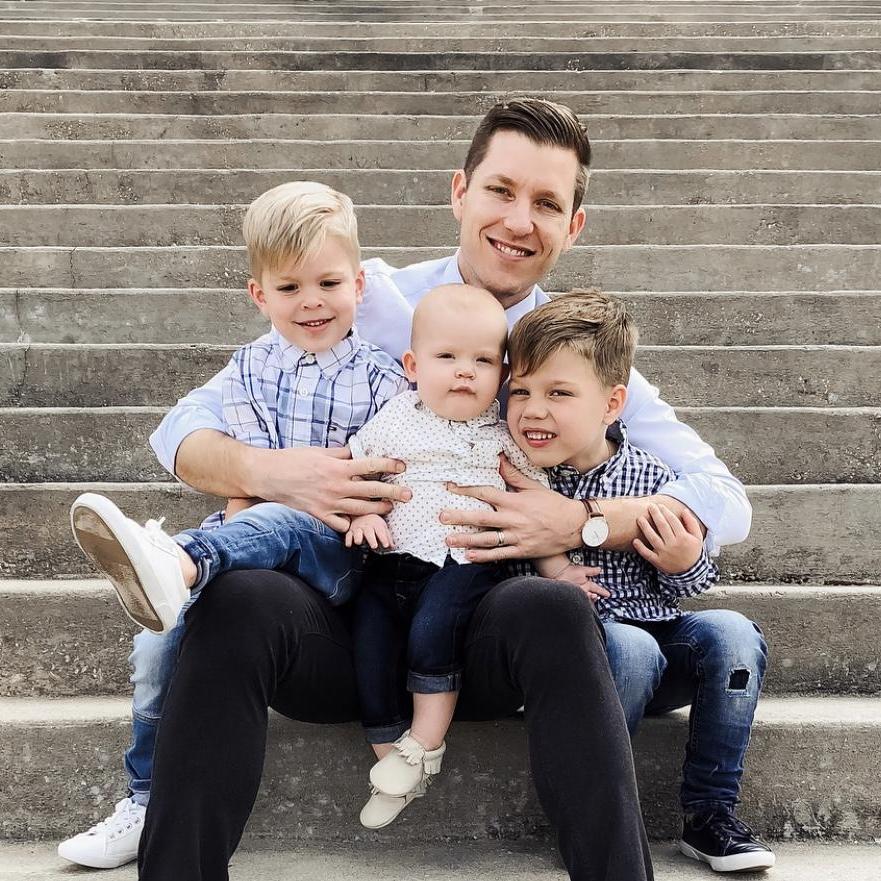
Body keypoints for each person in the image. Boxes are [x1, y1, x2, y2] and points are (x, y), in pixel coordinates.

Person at [62, 97, 747, 880]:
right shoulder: (364, 296)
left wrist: (583, 519)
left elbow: (724, 498)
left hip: (482, 625)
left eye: (546, 203)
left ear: (573, 226)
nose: (518, 220)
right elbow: (182, 432)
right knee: (240, 596)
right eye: (501, 190)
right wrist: (282, 474)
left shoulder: (571, 346)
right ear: (459, 191)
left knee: (552, 605)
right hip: (345, 610)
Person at [58, 179, 408, 867]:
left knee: (284, 522)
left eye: (328, 282)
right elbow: (243, 478)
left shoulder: (382, 377)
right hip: (250, 543)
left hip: (339, 551)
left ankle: (179, 556)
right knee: (157, 644)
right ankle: (144, 797)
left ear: (359, 284)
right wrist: (239, 537)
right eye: (289, 287)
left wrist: (364, 508)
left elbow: (390, 473)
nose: (311, 301)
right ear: (258, 294)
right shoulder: (248, 369)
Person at [505, 291, 774, 873]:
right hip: (577, 666)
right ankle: (594, 813)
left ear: (612, 403)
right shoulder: (511, 474)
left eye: (558, 393)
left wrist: (683, 561)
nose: (532, 410)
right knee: (630, 646)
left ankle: (710, 813)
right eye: (519, 391)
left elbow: (685, 588)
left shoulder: (651, 478)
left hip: (658, 637)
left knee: (732, 633)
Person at [346, 284, 593, 829]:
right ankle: (393, 760)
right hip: (391, 560)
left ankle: (425, 743)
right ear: (413, 366)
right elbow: (358, 472)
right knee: (369, 642)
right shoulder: (393, 418)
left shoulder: (503, 436)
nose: (464, 371)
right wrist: (361, 515)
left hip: (466, 560)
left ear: (501, 375)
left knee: (434, 629)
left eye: (482, 361)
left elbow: (534, 506)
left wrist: (558, 569)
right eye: (447, 357)